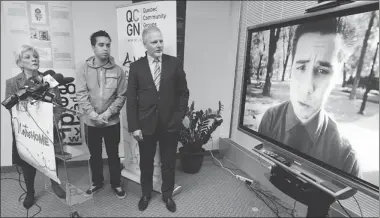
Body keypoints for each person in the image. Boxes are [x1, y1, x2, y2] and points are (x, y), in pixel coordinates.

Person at [258, 18, 361, 177]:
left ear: (337, 78)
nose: (307, 88)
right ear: (291, 68)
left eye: (322, 71)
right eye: (301, 67)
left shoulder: (345, 157)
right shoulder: (270, 119)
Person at [127, 26, 189, 212]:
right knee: (146, 162)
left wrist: (178, 117)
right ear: (145, 44)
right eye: (154, 42)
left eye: (161, 41)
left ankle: (167, 194)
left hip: (170, 123)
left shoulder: (174, 63)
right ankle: (146, 194)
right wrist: (134, 126)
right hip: (145, 124)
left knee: (168, 161)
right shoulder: (136, 67)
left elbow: (183, 93)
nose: (159, 45)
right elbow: (131, 99)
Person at [5, 45, 66, 209]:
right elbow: (11, 109)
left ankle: (55, 184)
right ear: (20, 62)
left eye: (36, 56)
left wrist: (51, 121)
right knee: (28, 161)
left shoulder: (49, 80)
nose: (34, 59)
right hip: (25, 131)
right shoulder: (12, 83)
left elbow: (58, 105)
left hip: (47, 129)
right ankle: (30, 192)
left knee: (51, 158)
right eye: (28, 57)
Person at [76, 30, 127, 199]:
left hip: (111, 122)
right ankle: (97, 182)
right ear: (93, 47)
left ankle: (116, 183)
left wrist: (107, 113)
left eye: (108, 45)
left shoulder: (118, 71)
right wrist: (92, 114)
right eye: (101, 45)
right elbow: (81, 94)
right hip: (91, 122)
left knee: (113, 154)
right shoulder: (83, 69)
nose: (105, 48)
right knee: (95, 155)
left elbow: (121, 96)